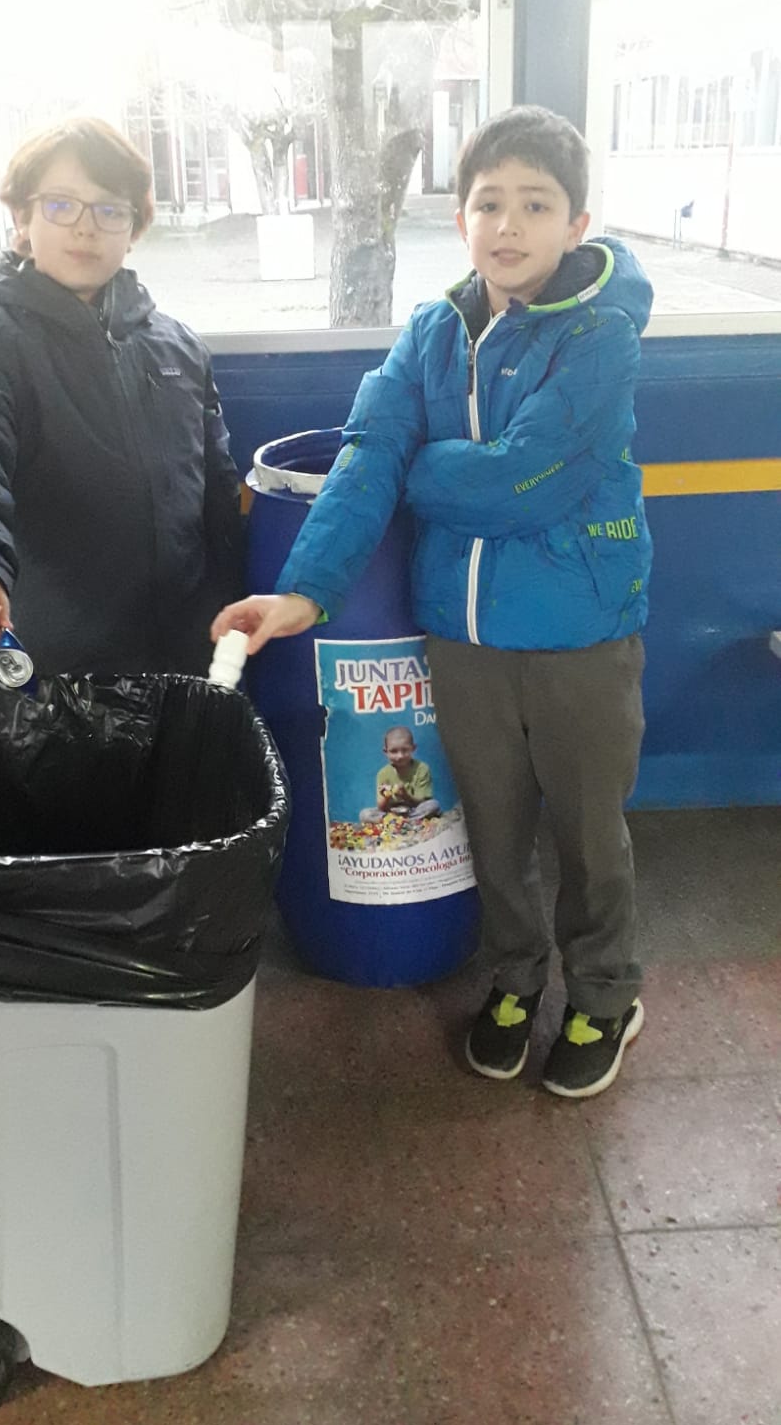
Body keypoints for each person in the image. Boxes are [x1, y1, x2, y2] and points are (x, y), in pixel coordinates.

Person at [213, 105, 653, 1100]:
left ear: (577, 223)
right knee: (490, 827)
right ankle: (515, 979)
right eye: (489, 203)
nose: (509, 224)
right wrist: (300, 595)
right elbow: (367, 454)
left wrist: (417, 464)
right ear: (460, 220)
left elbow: (523, 480)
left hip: (582, 634)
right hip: (462, 640)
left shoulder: (603, 337)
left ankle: (605, 994)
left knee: (590, 834)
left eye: (535, 204)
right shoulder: (430, 334)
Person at [0, 116, 242, 678]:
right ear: (23, 217)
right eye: (61, 205)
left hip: (187, 660)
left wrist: (237, 601)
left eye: (110, 210)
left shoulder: (180, 348)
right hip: (56, 674)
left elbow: (218, 493)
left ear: (134, 229)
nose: (86, 228)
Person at [359, 726, 441, 823]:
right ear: (386, 752)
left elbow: (422, 802)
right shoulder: (383, 773)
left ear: (413, 748)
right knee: (365, 814)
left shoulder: (422, 768)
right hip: (391, 812)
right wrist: (386, 797)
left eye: (405, 750)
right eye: (394, 751)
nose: (400, 756)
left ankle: (404, 822)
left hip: (414, 810)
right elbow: (381, 807)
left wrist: (405, 795)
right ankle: (397, 822)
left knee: (433, 805)